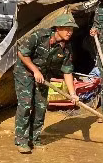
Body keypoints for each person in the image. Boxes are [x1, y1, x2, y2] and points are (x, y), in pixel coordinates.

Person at [14, 14, 77, 154]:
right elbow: (21, 53)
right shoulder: (39, 36)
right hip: (25, 72)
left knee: (40, 106)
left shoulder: (66, 48)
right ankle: (21, 140)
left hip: (44, 76)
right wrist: (35, 70)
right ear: (57, 28)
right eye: (67, 29)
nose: (69, 32)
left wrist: (72, 94)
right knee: (25, 104)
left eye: (72, 30)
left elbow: (67, 71)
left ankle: (34, 139)